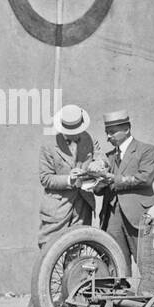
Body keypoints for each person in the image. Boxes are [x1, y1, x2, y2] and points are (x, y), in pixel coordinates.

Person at [95, 110, 154, 278]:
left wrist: (112, 179)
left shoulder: (147, 150)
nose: (108, 136)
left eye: (112, 132)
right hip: (111, 217)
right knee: (116, 264)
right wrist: (95, 180)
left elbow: (145, 178)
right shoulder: (108, 157)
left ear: (127, 129)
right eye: (106, 132)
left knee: (147, 263)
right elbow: (99, 189)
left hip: (138, 215)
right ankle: (121, 302)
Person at [37, 105, 96, 248]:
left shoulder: (87, 138)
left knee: (77, 250)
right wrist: (69, 179)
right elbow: (45, 178)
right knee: (50, 250)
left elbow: (99, 155)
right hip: (58, 209)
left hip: (82, 207)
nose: (77, 134)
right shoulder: (48, 145)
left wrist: (98, 165)